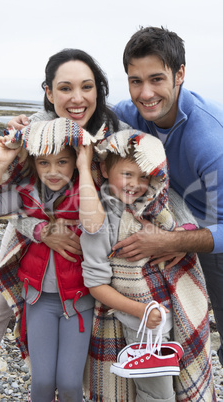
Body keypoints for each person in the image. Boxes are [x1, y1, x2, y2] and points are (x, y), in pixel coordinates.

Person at [0, 48, 126, 402]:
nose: (77, 98)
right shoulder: (34, 133)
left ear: (99, 89)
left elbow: (131, 195)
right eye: (65, 88)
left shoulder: (113, 135)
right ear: (49, 92)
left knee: (110, 318)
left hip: (89, 248)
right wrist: (40, 230)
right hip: (28, 236)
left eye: (87, 87)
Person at [111, 26, 223, 366]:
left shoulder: (209, 140)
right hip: (168, 223)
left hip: (211, 229)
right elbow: (78, 122)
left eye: (157, 79)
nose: (145, 93)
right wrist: (30, 124)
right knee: (173, 335)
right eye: (135, 81)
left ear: (180, 75)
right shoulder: (126, 115)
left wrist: (174, 241)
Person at [0, 118, 104, 401]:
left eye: (63, 162)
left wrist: (84, 166)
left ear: (75, 162)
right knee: (42, 382)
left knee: (69, 384)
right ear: (33, 163)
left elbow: (95, 226)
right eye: (44, 163)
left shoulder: (87, 193)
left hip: (80, 301)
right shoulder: (25, 194)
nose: (53, 171)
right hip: (38, 300)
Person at [79, 129, 215, 401]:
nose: (135, 184)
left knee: (174, 387)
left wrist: (178, 240)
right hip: (140, 321)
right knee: (157, 395)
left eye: (144, 177)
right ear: (104, 168)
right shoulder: (99, 220)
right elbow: (95, 283)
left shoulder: (154, 207)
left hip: (172, 314)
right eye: (127, 174)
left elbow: (184, 222)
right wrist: (142, 311)